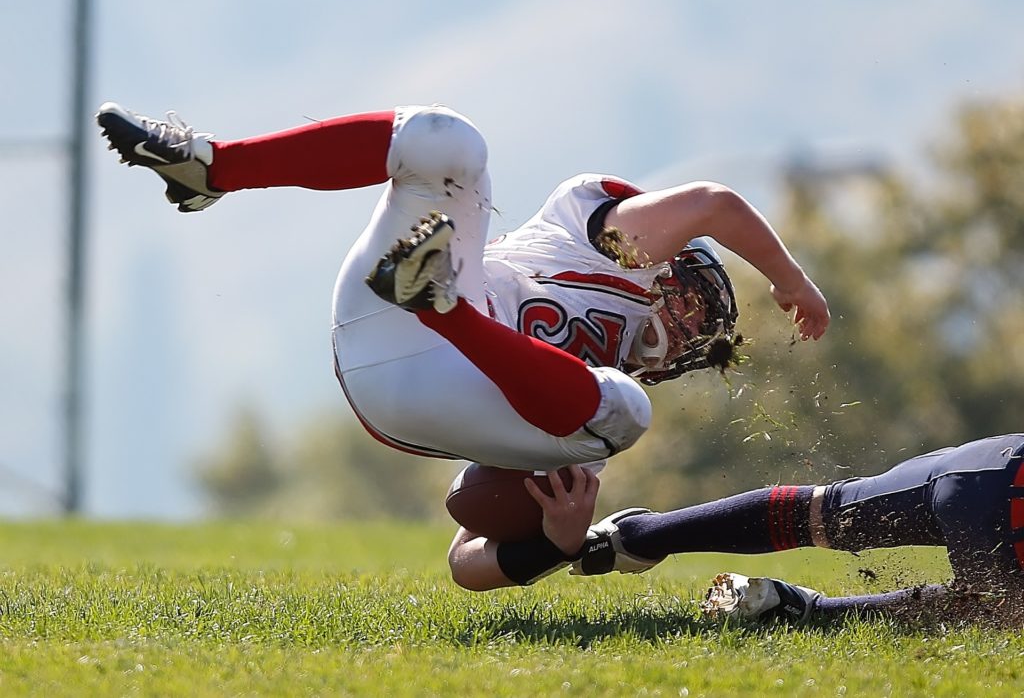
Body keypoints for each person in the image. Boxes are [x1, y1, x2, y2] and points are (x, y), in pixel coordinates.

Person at [97, 101, 828, 573]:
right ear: (674, 264)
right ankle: (215, 167)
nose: (696, 326)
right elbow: (714, 202)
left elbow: (465, 563)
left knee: (624, 409)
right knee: (446, 140)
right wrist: (789, 278)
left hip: (420, 384)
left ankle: (441, 305)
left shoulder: (581, 411)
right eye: (703, 301)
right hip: (384, 314)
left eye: (704, 332)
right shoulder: (608, 244)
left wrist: (561, 540)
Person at [452, 433, 1024, 625]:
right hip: (998, 491)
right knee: (995, 612)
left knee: (824, 512)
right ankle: (805, 611)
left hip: (985, 463)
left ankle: (631, 538)